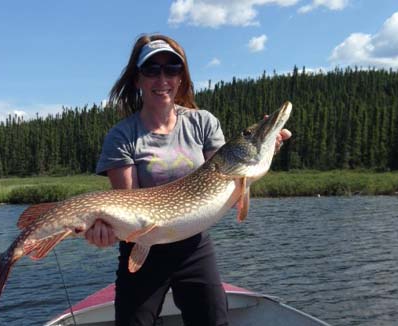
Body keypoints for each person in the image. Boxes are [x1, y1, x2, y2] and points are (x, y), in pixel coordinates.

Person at [85, 34, 292, 326]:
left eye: (172, 69)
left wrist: (265, 146)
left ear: (181, 77)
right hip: (143, 248)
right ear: (138, 79)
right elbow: (129, 206)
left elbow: (227, 182)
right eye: (151, 69)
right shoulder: (122, 136)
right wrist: (105, 232)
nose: (163, 78)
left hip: (193, 247)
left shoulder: (203, 123)